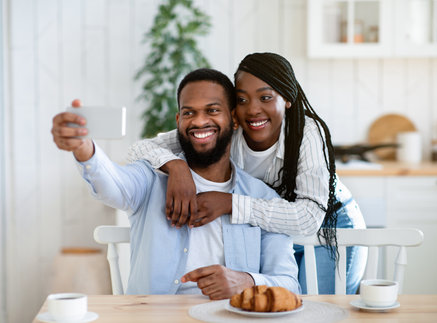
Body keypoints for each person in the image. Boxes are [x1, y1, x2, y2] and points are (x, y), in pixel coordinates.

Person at [128, 52, 367, 294]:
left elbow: (308, 219)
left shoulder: (306, 132)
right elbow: (138, 150)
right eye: (242, 100)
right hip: (272, 229)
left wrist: (231, 203)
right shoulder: (226, 128)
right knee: (279, 302)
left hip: (327, 224)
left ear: (287, 99)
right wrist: (175, 166)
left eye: (265, 97)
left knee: (317, 308)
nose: (253, 110)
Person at [51, 68, 300, 298]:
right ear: (179, 120)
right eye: (189, 113)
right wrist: (84, 148)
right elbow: (111, 185)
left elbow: (289, 283)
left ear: (234, 119)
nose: (199, 121)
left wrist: (246, 282)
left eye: (212, 110)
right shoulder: (151, 179)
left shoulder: (263, 199)